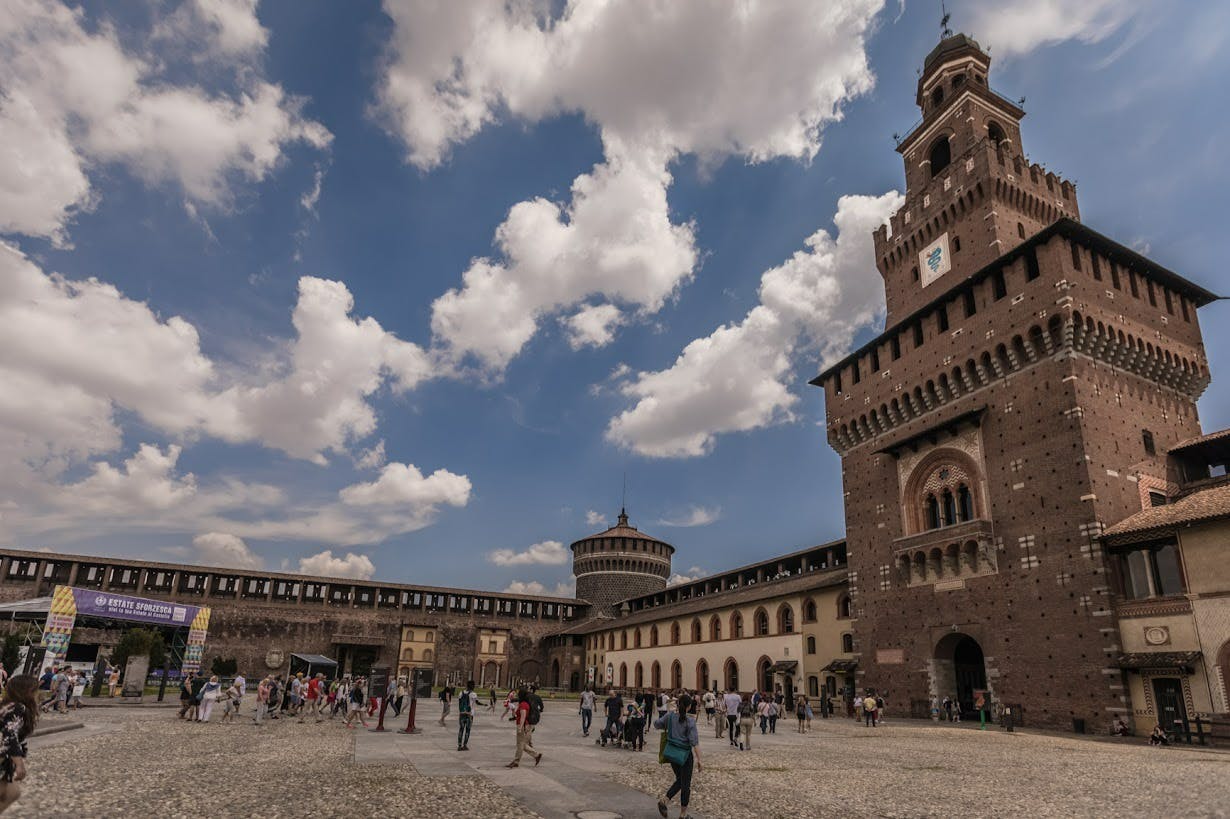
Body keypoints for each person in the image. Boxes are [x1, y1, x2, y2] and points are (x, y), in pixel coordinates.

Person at [655, 692, 701, 819]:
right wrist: (699, 759)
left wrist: (668, 715)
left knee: (680, 780)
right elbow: (694, 742)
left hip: (671, 754)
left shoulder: (670, 716)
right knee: (685, 784)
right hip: (685, 756)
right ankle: (682, 814)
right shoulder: (690, 721)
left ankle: (664, 801)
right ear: (688, 706)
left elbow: (656, 724)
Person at [0, 675, 39, 814]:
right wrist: (19, 764)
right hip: (3, 756)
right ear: (27, 692)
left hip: (5, 758)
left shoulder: (8, 705)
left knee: (12, 792)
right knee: (8, 792)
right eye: (35, 691)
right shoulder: (18, 707)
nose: (37, 695)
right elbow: (9, 734)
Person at [506, 687, 542, 768]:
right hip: (522, 725)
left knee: (520, 744)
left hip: (521, 725)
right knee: (521, 744)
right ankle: (536, 755)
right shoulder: (525, 703)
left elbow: (523, 716)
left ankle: (516, 761)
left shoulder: (523, 705)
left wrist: (520, 727)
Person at [457, 679, 476, 751]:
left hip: (462, 714)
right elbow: (475, 703)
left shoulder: (461, 693)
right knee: (468, 730)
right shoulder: (473, 694)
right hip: (469, 714)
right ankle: (465, 745)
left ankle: (459, 745)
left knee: (461, 729)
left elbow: (459, 703)